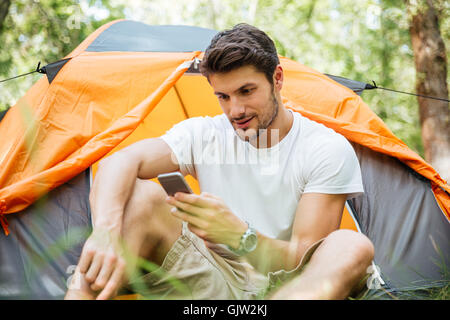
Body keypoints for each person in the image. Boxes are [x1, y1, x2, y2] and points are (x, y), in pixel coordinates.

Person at [65, 23, 374, 300]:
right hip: (215, 280)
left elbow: (303, 257)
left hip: (292, 287)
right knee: (140, 195)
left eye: (246, 91)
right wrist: (104, 231)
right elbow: (118, 161)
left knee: (351, 244)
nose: (235, 110)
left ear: (277, 79)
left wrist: (241, 237)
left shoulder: (324, 147)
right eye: (223, 97)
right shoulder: (206, 133)